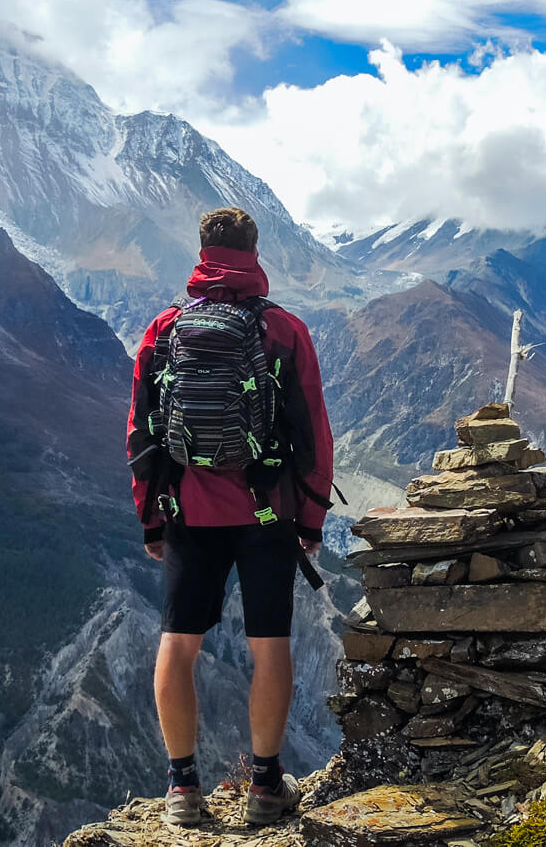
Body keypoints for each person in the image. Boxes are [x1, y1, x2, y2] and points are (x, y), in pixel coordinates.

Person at [126, 206, 335, 827]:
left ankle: (183, 788)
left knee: (179, 643)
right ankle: (266, 786)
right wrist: (312, 518)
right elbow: (313, 434)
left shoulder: (164, 330)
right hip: (268, 513)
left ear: (201, 251)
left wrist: (151, 519)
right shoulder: (285, 331)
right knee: (270, 645)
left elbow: (140, 433)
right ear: (255, 251)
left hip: (188, 510)